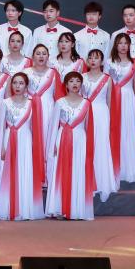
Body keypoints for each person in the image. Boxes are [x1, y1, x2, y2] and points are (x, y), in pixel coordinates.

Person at [0, 73, 44, 221]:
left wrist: (35, 147)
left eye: (21, 83)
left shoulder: (32, 103)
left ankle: (25, 209)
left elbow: (36, 128)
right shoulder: (5, 103)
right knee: (7, 173)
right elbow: (0, 127)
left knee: (25, 171)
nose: (17, 86)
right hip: (8, 139)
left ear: (26, 86)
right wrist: (1, 148)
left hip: (26, 141)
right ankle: (7, 208)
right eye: (15, 83)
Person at [44, 72, 95, 220]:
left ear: (81, 84)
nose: (75, 84)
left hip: (80, 140)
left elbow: (88, 127)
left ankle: (77, 209)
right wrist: (53, 144)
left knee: (78, 172)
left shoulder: (86, 103)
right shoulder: (60, 102)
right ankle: (59, 208)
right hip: (62, 139)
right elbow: (53, 126)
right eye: (71, 81)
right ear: (66, 85)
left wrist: (88, 146)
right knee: (61, 172)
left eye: (78, 81)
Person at [106, 33, 135, 183]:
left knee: (128, 129)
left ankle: (129, 166)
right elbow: (105, 84)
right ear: (115, 45)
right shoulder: (109, 62)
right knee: (114, 129)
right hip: (113, 99)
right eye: (120, 43)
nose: (123, 46)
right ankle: (114, 166)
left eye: (126, 43)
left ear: (129, 45)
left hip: (128, 99)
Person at [82, 49, 118, 202]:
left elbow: (109, 101)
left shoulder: (107, 79)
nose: (93, 60)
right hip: (85, 114)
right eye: (90, 58)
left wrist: (109, 120)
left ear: (102, 61)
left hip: (102, 114)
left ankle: (102, 182)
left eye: (96, 58)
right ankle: (86, 183)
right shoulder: (82, 77)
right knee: (86, 147)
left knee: (101, 146)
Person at [25, 44, 61, 151]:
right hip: (28, 109)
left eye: (44, 54)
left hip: (48, 110)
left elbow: (59, 97)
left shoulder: (54, 73)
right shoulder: (25, 72)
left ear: (48, 56)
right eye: (38, 54)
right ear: (33, 57)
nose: (41, 56)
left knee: (46, 137)